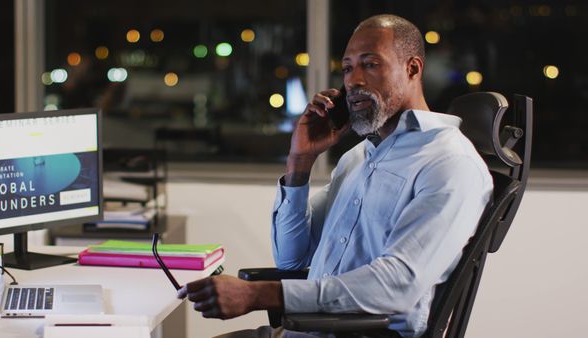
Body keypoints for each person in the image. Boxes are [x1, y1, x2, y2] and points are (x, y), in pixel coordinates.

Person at [178, 14, 493, 338]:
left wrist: (259, 294)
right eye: (347, 68)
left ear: (412, 68)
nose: (353, 80)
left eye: (370, 65)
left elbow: (398, 285)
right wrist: (300, 162)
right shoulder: (359, 157)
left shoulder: (450, 163)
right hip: (302, 332)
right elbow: (292, 259)